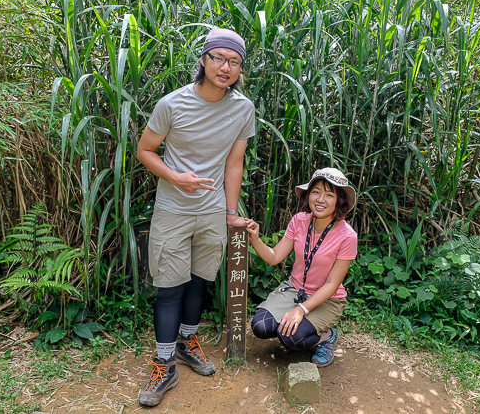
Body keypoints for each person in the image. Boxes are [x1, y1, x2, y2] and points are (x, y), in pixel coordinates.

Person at [136, 27, 255, 407]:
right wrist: (175, 177)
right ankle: (164, 362)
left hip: (212, 211)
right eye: (218, 57)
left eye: (234, 61)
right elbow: (145, 150)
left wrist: (231, 212)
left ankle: (188, 341)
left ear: (240, 69)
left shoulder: (242, 109)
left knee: (200, 281)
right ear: (203, 60)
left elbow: (234, 163)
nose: (225, 67)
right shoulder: (172, 104)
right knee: (169, 287)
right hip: (173, 209)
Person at [245, 168, 358, 368]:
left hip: (327, 299)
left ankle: (326, 337)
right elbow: (274, 257)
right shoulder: (299, 220)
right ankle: (299, 327)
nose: (320, 199)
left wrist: (301, 310)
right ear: (308, 195)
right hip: (295, 289)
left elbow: (332, 284)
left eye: (329, 194)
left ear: (339, 201)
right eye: (316, 192)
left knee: (291, 337)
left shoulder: (347, 236)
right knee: (260, 326)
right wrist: (255, 239)